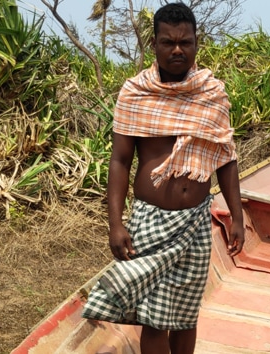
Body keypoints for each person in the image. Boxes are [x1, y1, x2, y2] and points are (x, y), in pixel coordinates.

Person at [81, 3, 244, 354]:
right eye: (168, 42)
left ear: (197, 43)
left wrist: (237, 216)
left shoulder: (211, 93)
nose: (177, 50)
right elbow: (120, 161)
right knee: (154, 319)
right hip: (150, 221)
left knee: (185, 317)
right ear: (153, 44)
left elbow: (225, 158)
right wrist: (115, 223)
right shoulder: (135, 93)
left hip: (196, 220)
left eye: (185, 42)